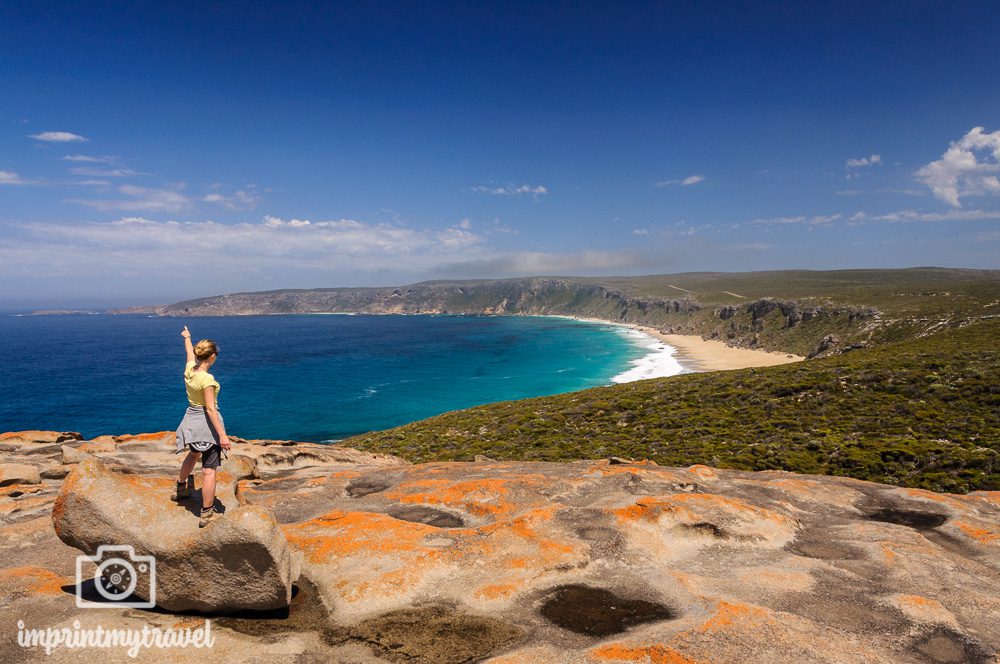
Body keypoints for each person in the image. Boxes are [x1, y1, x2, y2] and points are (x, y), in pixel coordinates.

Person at [173, 326, 232, 527]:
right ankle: (207, 513)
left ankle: (181, 489)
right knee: (209, 470)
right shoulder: (207, 380)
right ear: (213, 356)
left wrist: (187, 337)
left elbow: (189, 352)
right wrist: (222, 435)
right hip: (206, 426)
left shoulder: (190, 369)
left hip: (190, 420)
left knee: (192, 454)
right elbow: (210, 409)